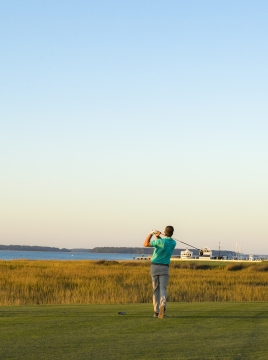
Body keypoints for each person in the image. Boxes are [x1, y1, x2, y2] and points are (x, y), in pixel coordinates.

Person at [143, 226, 176, 318]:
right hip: (164, 267)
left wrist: (151, 233)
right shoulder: (173, 243)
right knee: (163, 289)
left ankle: (156, 311)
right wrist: (158, 236)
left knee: (155, 289)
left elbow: (145, 244)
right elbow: (163, 244)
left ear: (165, 232)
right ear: (172, 233)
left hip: (154, 266)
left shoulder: (160, 242)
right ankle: (163, 305)